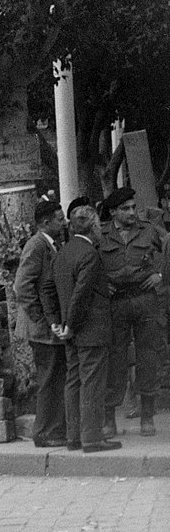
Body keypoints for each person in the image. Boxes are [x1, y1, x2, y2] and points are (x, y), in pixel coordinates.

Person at [41, 204, 121, 452]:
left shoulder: (62, 253)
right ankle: (92, 438)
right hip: (90, 330)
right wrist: (71, 326)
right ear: (94, 226)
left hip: (69, 331)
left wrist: (57, 322)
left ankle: (74, 436)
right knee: (93, 384)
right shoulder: (90, 255)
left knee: (73, 382)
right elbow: (82, 294)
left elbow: (47, 289)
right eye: (98, 225)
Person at [96, 186, 166, 438]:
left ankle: (147, 416)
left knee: (148, 355)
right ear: (113, 211)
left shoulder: (149, 230)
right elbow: (89, 265)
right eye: (125, 209)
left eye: (133, 207)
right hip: (116, 303)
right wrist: (100, 284)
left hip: (145, 300)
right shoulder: (100, 234)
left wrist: (160, 275)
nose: (132, 212)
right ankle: (108, 419)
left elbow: (167, 252)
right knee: (115, 358)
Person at [13, 199, 67, 447]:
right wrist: (41, 318)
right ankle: (44, 433)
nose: (64, 222)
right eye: (59, 218)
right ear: (46, 223)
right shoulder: (36, 246)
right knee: (48, 379)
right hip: (41, 328)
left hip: (45, 326)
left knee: (54, 376)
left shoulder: (49, 245)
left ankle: (53, 430)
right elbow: (22, 286)